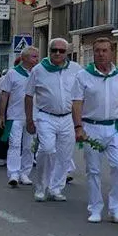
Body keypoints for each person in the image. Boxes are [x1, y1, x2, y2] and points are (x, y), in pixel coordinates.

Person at [71, 37, 118, 225]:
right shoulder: (83, 76)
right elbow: (77, 103)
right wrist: (78, 127)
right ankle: (95, 208)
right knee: (93, 170)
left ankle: (116, 208)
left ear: (112, 53)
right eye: (97, 51)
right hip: (91, 127)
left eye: (104, 50)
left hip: (115, 127)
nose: (101, 54)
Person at [24, 38, 80, 201]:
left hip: (67, 118)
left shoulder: (76, 69)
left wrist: (80, 121)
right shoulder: (39, 69)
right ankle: (41, 187)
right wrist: (29, 120)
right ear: (49, 51)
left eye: (61, 51)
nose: (57, 53)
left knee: (64, 155)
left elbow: (82, 95)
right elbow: (28, 96)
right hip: (46, 116)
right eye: (54, 50)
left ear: (67, 53)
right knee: (47, 149)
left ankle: (56, 188)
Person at [0, 47, 39, 187]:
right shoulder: (12, 73)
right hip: (15, 116)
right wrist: (2, 114)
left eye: (37, 57)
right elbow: (5, 94)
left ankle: (25, 173)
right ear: (24, 58)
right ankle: (13, 173)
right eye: (33, 57)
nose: (36, 59)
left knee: (29, 146)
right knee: (14, 144)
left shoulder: (38, 73)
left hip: (33, 116)